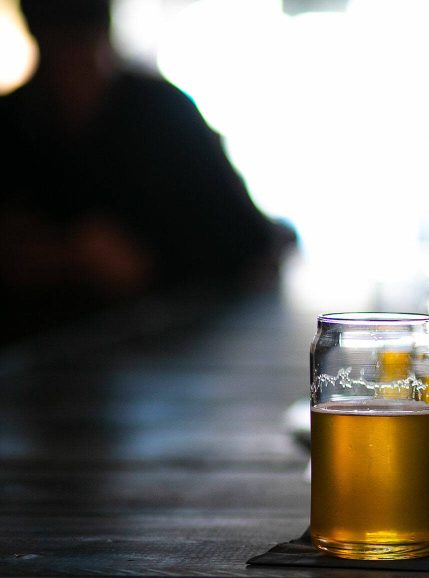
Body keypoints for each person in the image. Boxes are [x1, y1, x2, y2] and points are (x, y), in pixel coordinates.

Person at [0, 0, 295, 345]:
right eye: (59, 56)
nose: (70, 77)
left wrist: (149, 263)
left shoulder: (161, 114)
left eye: (78, 52)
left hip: (162, 343)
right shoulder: (14, 124)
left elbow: (247, 241)